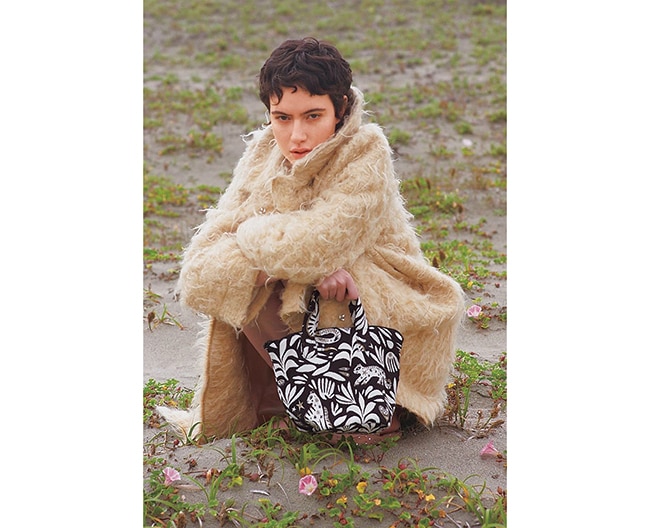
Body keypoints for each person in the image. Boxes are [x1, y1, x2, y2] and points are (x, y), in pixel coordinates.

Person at [157, 37, 465, 442]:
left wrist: (254, 237)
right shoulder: (263, 152)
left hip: (382, 312)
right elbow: (199, 271)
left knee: (326, 278)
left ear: (340, 109)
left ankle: (371, 414)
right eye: (282, 118)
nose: (296, 135)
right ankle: (305, 404)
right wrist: (294, 266)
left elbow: (320, 242)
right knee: (252, 278)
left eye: (313, 116)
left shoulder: (365, 150)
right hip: (309, 321)